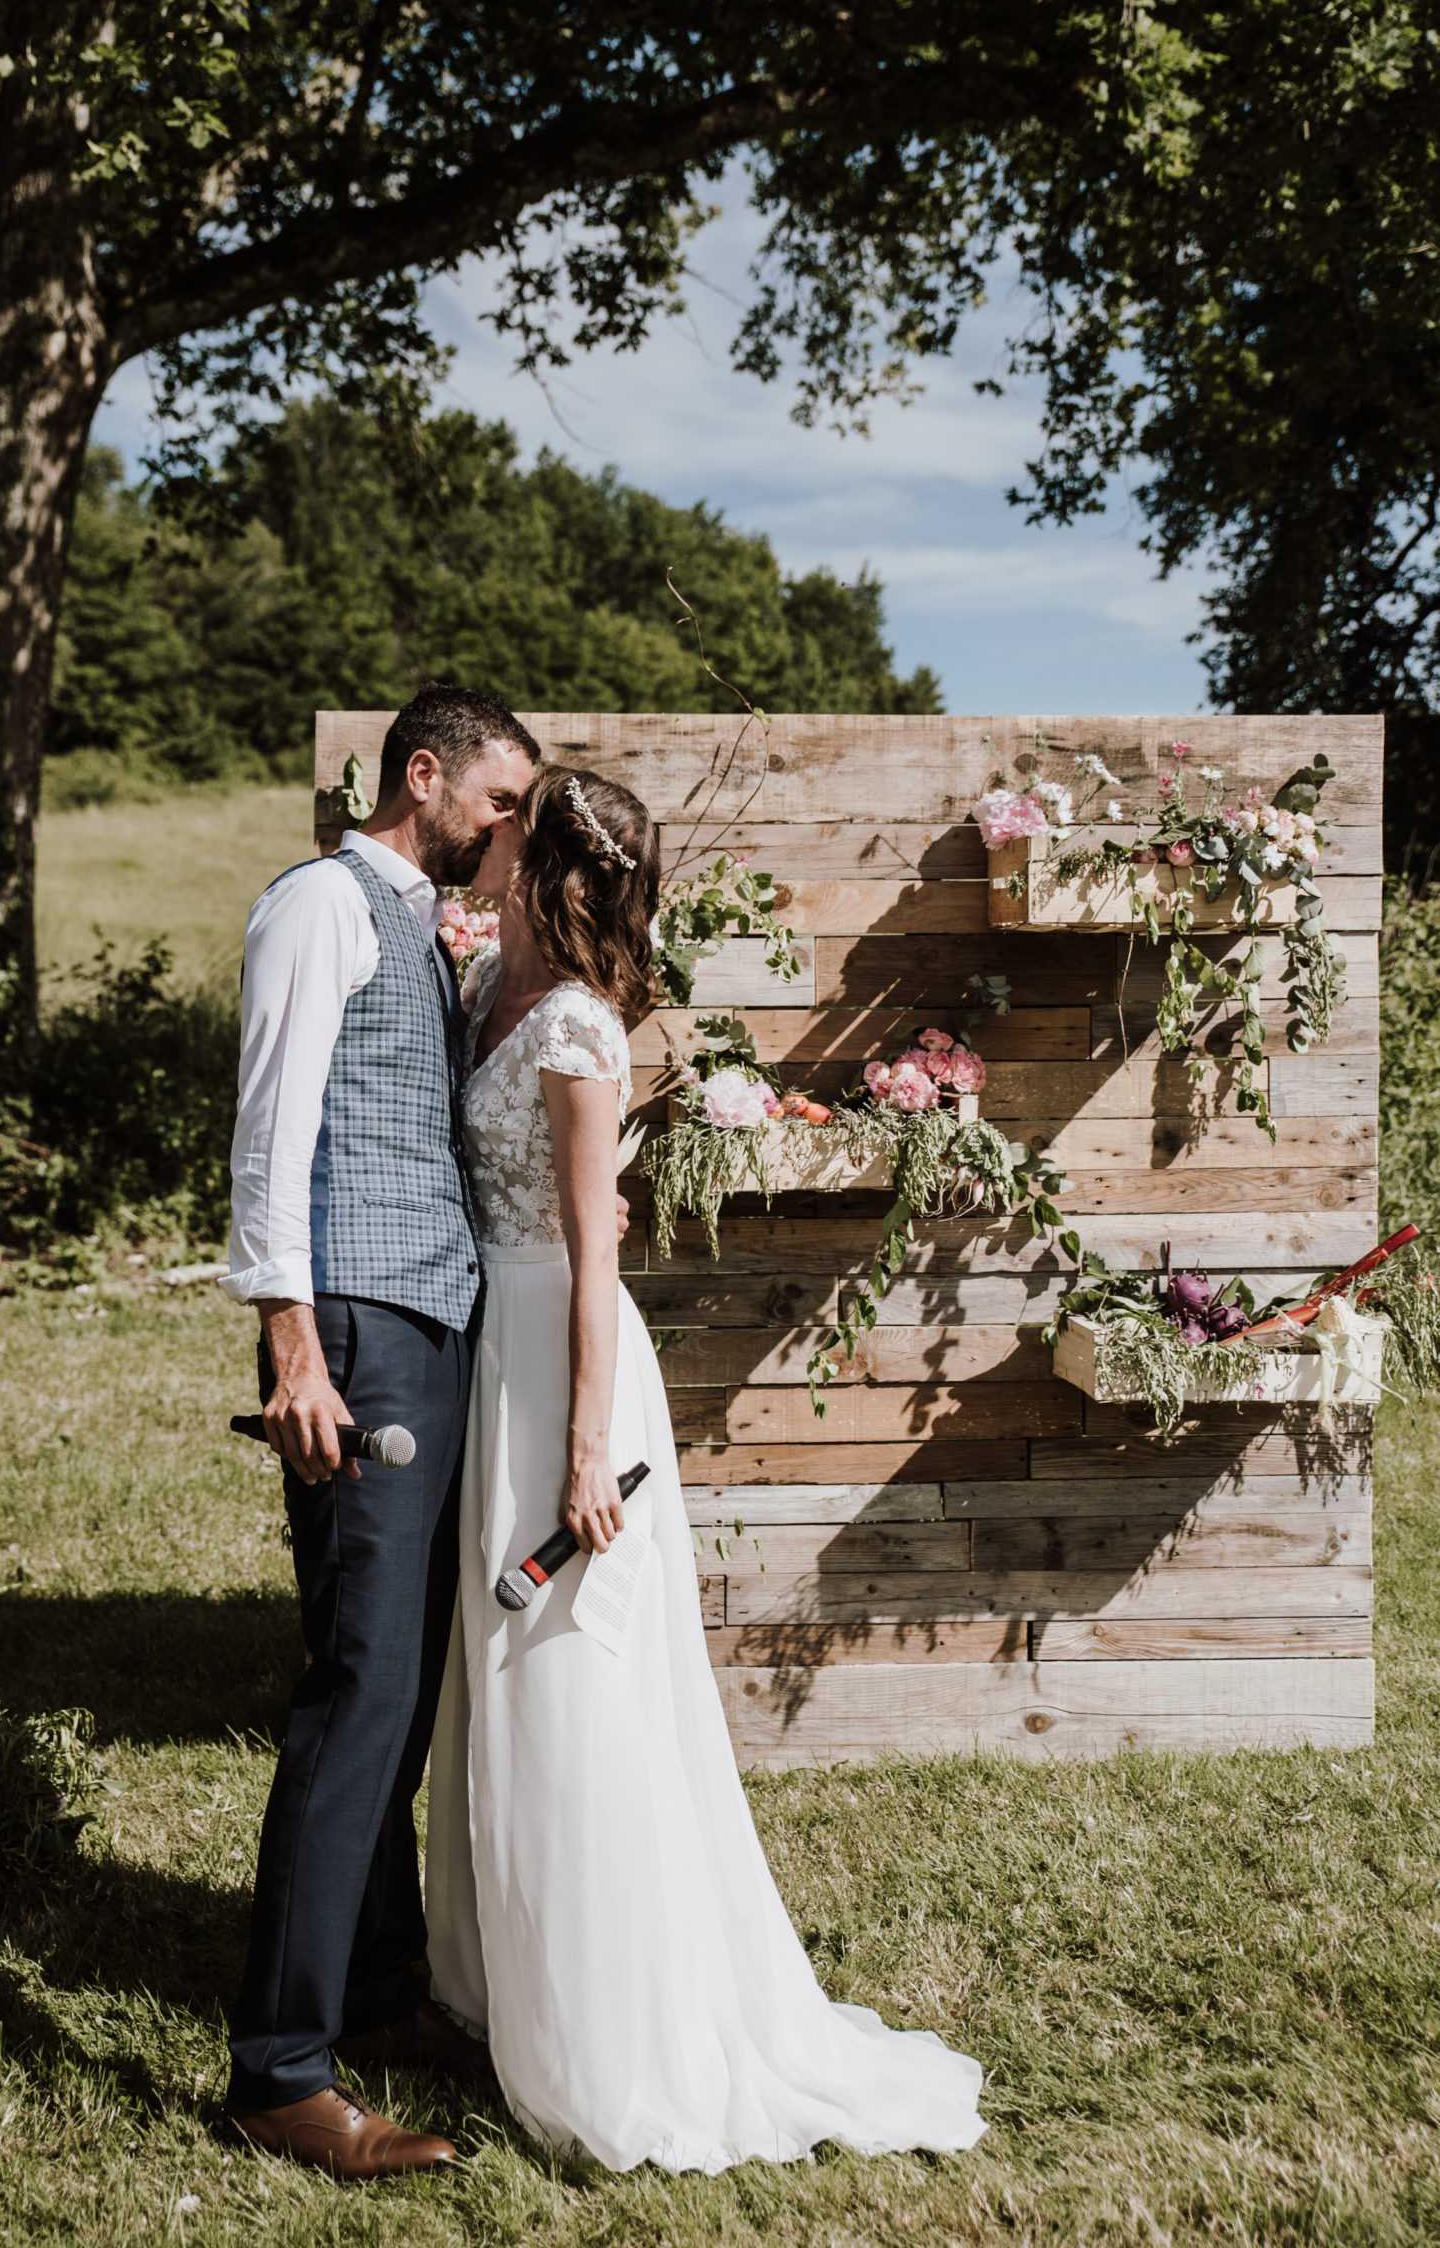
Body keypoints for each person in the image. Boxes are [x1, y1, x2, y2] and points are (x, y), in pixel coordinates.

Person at [424, 761, 988, 2173]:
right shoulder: (492, 980)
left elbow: (592, 1240)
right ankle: (498, 1983)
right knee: (491, 1672)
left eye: (509, 819)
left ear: (540, 858)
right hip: (492, 1344)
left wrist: (583, 1451)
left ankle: (609, 2033)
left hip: (562, 1356)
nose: (483, 833)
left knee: (566, 1666)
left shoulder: (572, 1027)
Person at [219, 685, 539, 2179]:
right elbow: (273, 1126)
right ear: (424, 775)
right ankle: (279, 2065)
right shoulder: (318, 905)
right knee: (356, 1688)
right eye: (497, 799)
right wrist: (290, 1337)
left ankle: (376, 1990)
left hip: (423, 1327)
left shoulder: (418, 921)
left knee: (398, 1687)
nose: (509, 828)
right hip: (350, 1333)